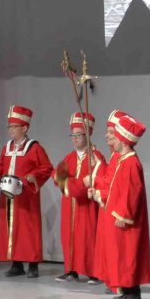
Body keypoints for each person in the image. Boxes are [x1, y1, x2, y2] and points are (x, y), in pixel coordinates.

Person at [89, 115, 150, 299]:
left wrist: (123, 215)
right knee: (123, 256)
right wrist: (99, 191)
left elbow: (131, 192)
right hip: (120, 217)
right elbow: (116, 188)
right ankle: (127, 292)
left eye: (114, 138)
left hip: (127, 219)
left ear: (124, 140)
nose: (111, 141)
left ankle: (133, 295)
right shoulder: (123, 160)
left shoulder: (131, 163)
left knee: (129, 256)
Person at [0, 105, 53, 278]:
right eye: (9, 126)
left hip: (26, 196)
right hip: (8, 196)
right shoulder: (7, 147)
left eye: (14, 127)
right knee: (11, 228)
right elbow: (0, 165)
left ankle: (33, 265)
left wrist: (30, 178)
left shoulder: (34, 148)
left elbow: (47, 168)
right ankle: (16, 264)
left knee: (29, 229)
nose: (10, 130)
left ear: (24, 128)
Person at [52, 112, 106, 284]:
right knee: (69, 236)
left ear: (88, 134)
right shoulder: (70, 157)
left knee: (88, 237)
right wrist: (75, 185)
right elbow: (57, 177)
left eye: (78, 135)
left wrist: (74, 185)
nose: (74, 138)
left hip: (87, 207)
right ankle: (71, 270)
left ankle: (94, 273)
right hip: (70, 205)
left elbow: (99, 180)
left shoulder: (96, 157)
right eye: (72, 135)